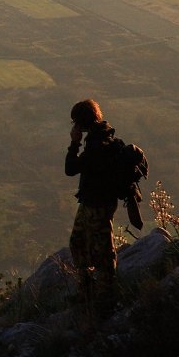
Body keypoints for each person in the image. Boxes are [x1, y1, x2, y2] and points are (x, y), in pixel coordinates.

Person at [65, 98, 119, 307]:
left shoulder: (97, 144)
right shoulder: (102, 137)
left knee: (102, 251)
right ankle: (87, 289)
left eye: (75, 122)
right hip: (91, 203)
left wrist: (74, 143)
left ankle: (106, 298)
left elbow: (70, 169)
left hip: (97, 205)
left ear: (82, 122)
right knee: (78, 242)